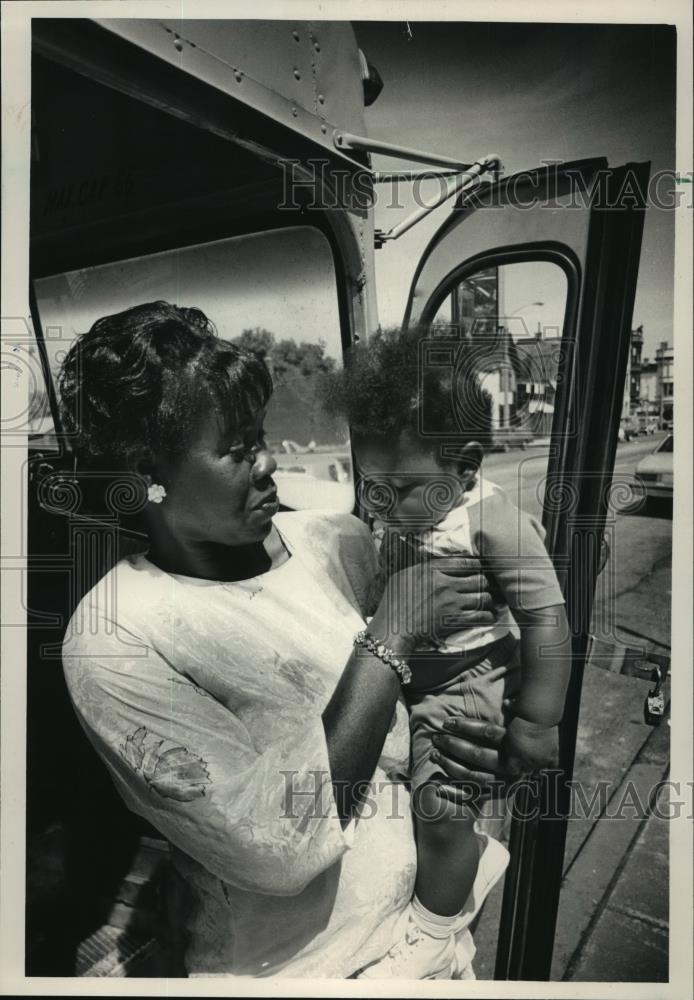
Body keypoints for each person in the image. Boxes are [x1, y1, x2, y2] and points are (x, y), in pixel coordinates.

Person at [58, 302, 511, 979]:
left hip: (430, 938)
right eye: (236, 448)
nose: (268, 460)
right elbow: (277, 847)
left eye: (259, 433)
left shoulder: (336, 541)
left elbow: (441, 683)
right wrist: (392, 633)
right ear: (142, 475)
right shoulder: (115, 638)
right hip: (302, 972)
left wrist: (484, 744)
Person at [324, 328, 572, 979]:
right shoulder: (407, 515)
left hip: (463, 683)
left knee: (442, 813)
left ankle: (435, 930)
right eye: (371, 486)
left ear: (463, 467)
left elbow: (545, 617)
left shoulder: (492, 521)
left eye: (399, 488)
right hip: (403, 678)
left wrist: (537, 723)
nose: (381, 505)